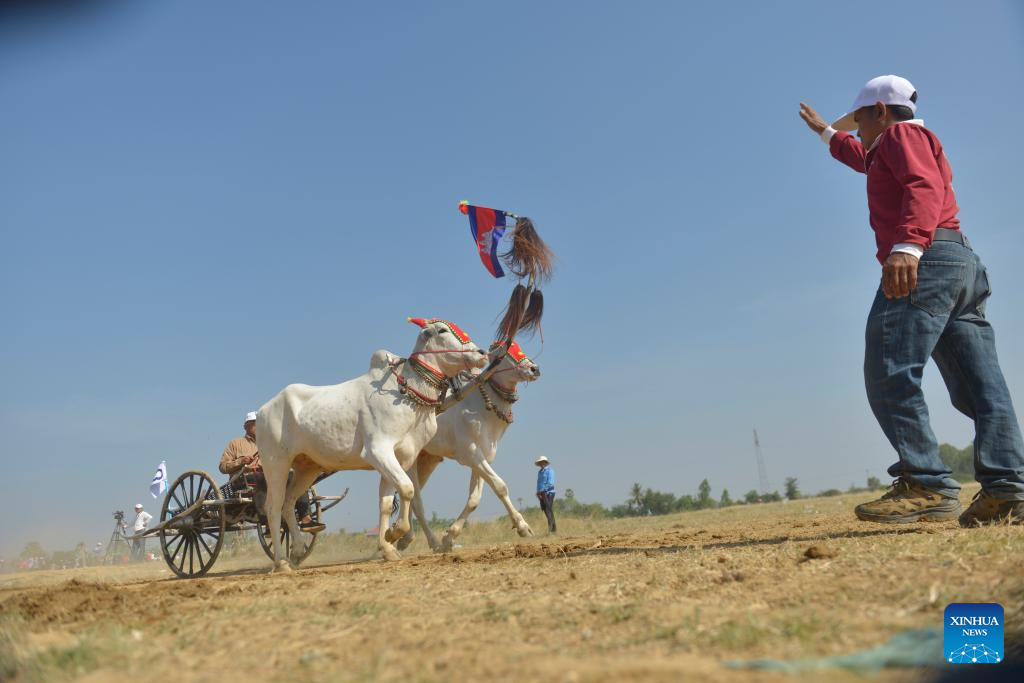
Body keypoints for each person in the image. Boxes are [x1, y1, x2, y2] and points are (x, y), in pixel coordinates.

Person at [799, 75, 1024, 526]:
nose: (857, 132)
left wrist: (907, 247)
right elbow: (863, 158)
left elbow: (923, 186)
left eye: (858, 121)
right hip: (957, 262)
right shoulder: (892, 145)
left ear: (879, 112)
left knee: (889, 367)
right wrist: (827, 133)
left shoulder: (903, 135)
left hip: (928, 261)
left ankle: (926, 483)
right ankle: (1007, 490)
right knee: (980, 384)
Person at [219, 411, 323, 532]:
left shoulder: (271, 444)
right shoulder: (235, 444)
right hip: (243, 480)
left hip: (270, 478)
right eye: (255, 424)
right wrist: (241, 461)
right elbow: (222, 467)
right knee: (261, 478)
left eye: (262, 424)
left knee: (295, 478)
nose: (259, 427)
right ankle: (269, 521)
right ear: (246, 426)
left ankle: (306, 518)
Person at [535, 456, 557, 533]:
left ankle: (551, 530)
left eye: (543, 462)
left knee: (548, 510)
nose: (541, 463)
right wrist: (538, 492)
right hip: (541, 494)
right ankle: (553, 530)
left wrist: (543, 490)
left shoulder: (550, 471)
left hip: (549, 493)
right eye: (540, 462)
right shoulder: (540, 472)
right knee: (546, 510)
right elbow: (539, 483)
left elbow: (550, 483)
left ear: (545, 462)